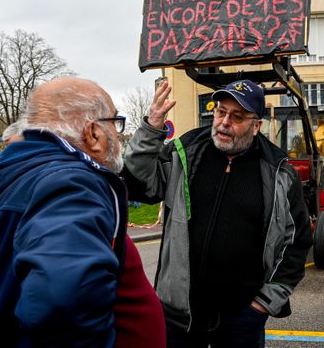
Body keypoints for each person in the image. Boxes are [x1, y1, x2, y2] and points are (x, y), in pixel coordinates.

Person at [0, 77, 165, 347]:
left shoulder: (17, 174)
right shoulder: (73, 182)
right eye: (115, 122)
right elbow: (62, 299)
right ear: (93, 133)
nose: (119, 134)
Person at [123, 78, 312, 348]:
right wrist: (151, 128)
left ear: (256, 125)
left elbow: (296, 242)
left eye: (237, 117)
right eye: (220, 111)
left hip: (242, 318)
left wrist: (263, 304)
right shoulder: (185, 152)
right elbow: (139, 184)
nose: (224, 122)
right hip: (179, 315)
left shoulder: (280, 173)